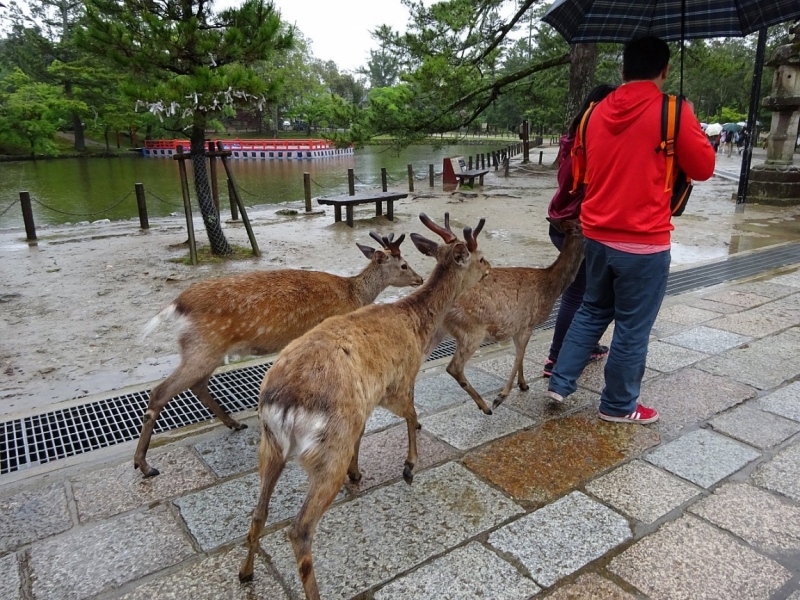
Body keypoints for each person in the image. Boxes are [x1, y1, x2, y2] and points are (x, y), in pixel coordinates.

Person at [545, 36, 716, 424]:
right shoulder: (673, 112)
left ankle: (560, 380)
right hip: (644, 243)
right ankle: (619, 406)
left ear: (622, 70)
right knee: (632, 327)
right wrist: (687, 123)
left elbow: (584, 174)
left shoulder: (594, 114)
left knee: (591, 310)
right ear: (665, 70)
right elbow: (704, 168)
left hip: (596, 236)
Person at [543, 84, 618, 378]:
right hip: (578, 230)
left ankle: (582, 345)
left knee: (584, 293)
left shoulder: (571, 141)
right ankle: (557, 357)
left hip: (560, 224)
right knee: (578, 295)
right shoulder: (590, 149)